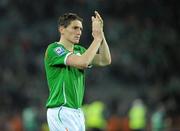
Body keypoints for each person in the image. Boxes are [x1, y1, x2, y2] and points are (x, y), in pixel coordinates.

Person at [44, 11, 111, 131]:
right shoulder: (54, 49)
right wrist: (96, 39)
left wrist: (101, 35)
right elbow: (83, 62)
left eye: (80, 29)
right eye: (75, 28)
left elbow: (104, 60)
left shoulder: (80, 50)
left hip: (77, 111)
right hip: (62, 110)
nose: (79, 32)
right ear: (62, 29)